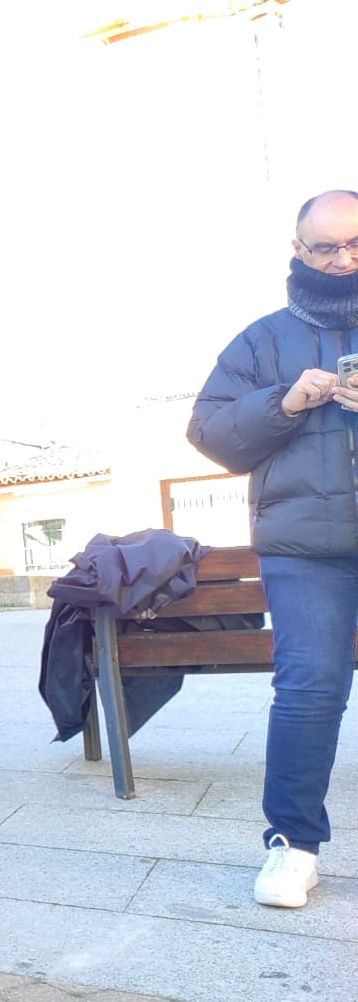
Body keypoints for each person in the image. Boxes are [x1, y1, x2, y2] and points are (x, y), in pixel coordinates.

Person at [189, 188, 358, 909]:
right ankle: (293, 845)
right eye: (326, 248)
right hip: (305, 545)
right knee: (310, 686)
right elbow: (209, 432)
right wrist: (286, 403)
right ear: (298, 252)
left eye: (355, 245)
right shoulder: (262, 339)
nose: (343, 260)